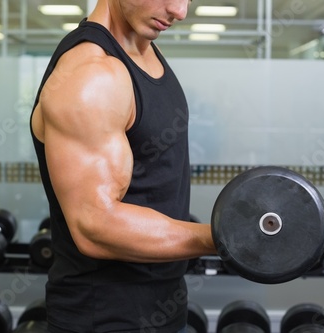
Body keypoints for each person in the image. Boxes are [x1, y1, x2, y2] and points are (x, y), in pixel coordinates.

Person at [30, 0, 216, 332]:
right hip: (105, 318)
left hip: (164, 306)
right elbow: (95, 226)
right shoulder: (92, 74)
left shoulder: (144, 51)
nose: (180, 11)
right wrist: (223, 237)